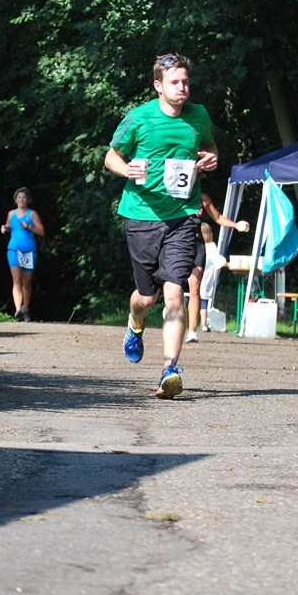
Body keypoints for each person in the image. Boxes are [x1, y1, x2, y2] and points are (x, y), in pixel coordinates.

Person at [104, 53, 218, 398]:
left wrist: (211, 158)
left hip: (184, 216)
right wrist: (126, 169)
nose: (182, 87)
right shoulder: (139, 118)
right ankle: (135, 323)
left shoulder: (199, 116)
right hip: (142, 216)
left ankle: (170, 370)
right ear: (158, 85)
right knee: (146, 297)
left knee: (174, 292)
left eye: (186, 81)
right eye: (174, 82)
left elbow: (208, 145)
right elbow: (111, 156)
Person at [185, 191, 249, 343]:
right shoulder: (173, 192)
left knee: (195, 286)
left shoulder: (203, 198)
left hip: (197, 243)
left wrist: (235, 225)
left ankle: (192, 331)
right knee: (174, 288)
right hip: (178, 243)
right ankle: (173, 322)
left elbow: (218, 217)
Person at [1, 187, 45, 322]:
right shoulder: (11, 213)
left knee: (27, 282)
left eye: (24, 197)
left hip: (30, 251)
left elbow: (42, 232)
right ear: (15, 200)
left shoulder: (32, 214)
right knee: (17, 280)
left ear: (28, 200)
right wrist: (5, 228)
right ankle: (18, 310)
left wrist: (29, 227)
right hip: (14, 249)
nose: (21, 200)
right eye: (19, 197)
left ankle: (25, 309)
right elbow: (9, 226)